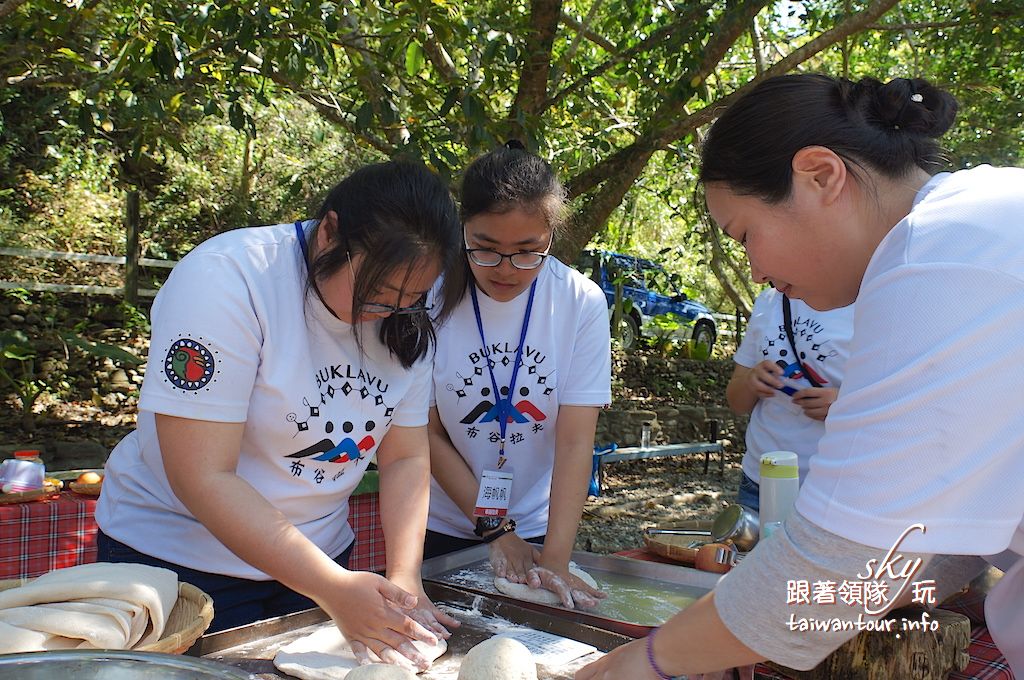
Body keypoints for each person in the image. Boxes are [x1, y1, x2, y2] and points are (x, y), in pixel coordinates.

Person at [577, 73, 1024, 679]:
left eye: (746, 236)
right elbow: (927, 541)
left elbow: (842, 559)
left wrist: (640, 664)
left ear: (820, 175)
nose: (755, 270)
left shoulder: (937, 253)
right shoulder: (980, 221)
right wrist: (732, 638)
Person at [95, 161, 466, 671]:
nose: (391, 312)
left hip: (320, 562)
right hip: (179, 566)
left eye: (410, 300)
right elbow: (202, 475)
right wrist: (332, 588)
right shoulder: (229, 280)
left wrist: (404, 575)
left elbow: (404, 456)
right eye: (377, 295)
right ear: (329, 232)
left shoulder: (407, 309)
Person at [424, 142, 611, 609]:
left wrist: (557, 561)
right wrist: (495, 530)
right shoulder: (426, 295)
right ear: (461, 229)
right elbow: (423, 433)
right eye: (485, 250)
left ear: (551, 237)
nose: (506, 270)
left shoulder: (580, 302)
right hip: (440, 525)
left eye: (528, 252)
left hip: (540, 523)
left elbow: (574, 443)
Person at [727, 287, 854, 510]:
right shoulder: (769, 301)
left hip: (834, 488)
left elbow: (907, 401)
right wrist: (750, 380)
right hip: (760, 483)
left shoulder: (866, 299)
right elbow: (736, 402)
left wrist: (844, 404)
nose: (759, 275)